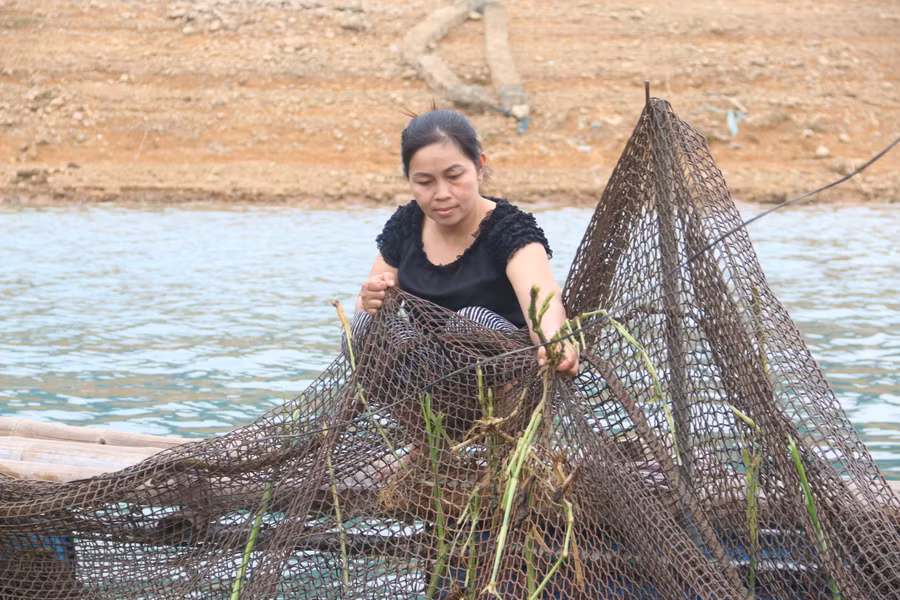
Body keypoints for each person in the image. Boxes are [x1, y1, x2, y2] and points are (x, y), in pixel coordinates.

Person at [354, 108, 577, 376]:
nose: (442, 194)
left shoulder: (509, 229)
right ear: (409, 179)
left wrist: (553, 342)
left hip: (502, 373)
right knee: (363, 324)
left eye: (454, 177)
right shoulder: (406, 224)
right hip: (426, 375)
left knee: (469, 320)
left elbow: (542, 299)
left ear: (479, 167)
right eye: (425, 182)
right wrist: (371, 299)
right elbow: (366, 307)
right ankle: (420, 404)